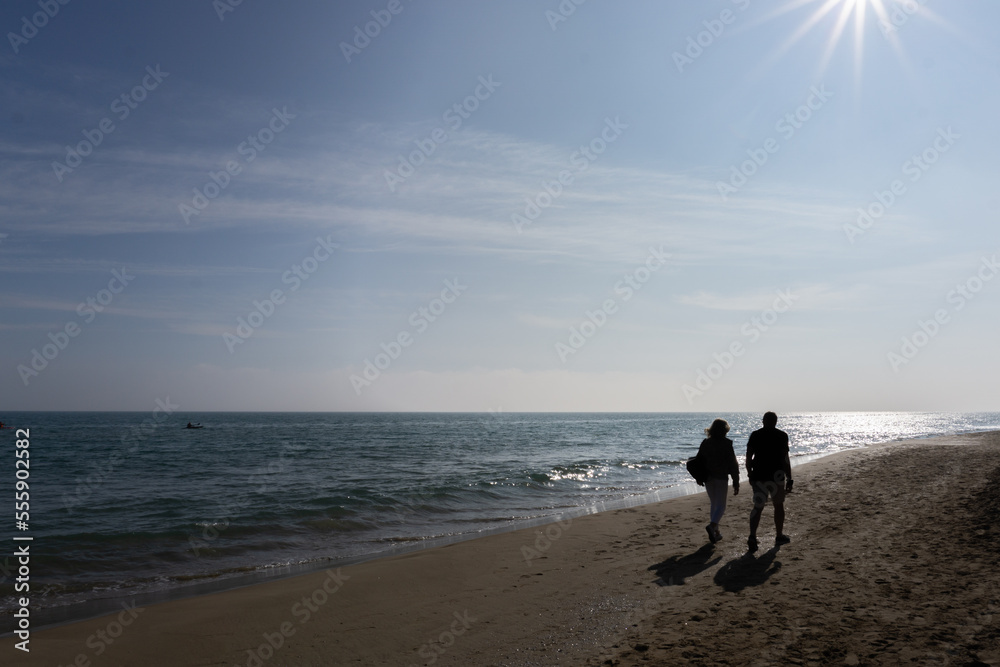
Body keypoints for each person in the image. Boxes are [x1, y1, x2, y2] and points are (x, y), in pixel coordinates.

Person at [746, 411, 793, 552]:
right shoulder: (782, 435)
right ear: (776, 421)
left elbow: (748, 456)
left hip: (759, 475)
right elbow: (785, 458)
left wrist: (750, 474)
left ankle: (752, 536)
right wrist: (789, 477)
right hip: (777, 476)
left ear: (763, 421)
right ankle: (779, 535)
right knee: (778, 505)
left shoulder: (755, 435)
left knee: (758, 506)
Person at [696, 418, 740, 544]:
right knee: (721, 505)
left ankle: (716, 533)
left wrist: (698, 477)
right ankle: (712, 526)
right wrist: (736, 481)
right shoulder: (727, 443)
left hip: (708, 477)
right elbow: (733, 463)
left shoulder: (706, 442)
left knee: (714, 504)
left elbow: (699, 460)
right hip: (721, 477)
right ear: (725, 430)